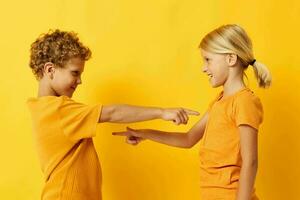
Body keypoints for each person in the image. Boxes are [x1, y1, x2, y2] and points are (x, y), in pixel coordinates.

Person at [27, 29, 199, 200]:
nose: (80, 80)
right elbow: (112, 113)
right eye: (75, 72)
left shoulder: (46, 109)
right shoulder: (57, 109)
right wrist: (162, 112)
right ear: (50, 70)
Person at [113, 24, 272, 200]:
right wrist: (145, 133)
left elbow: (250, 161)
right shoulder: (219, 102)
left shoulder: (244, 101)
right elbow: (188, 139)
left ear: (231, 59)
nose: (203, 68)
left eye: (208, 60)